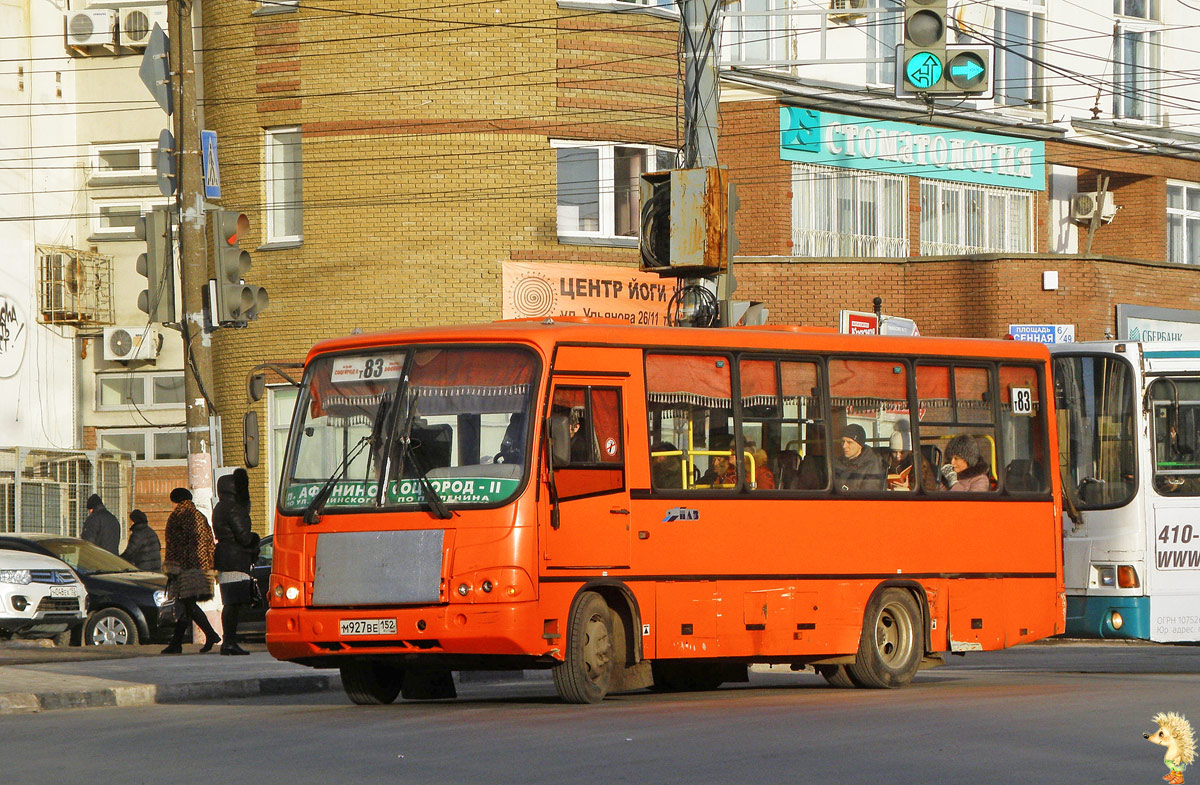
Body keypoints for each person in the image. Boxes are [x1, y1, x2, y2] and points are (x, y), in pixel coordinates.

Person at [161, 487, 221, 654]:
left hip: (185, 569)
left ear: (176, 501)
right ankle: (177, 642)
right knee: (187, 604)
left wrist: (171, 569)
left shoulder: (176, 517)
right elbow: (209, 543)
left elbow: (174, 546)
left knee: (187, 603)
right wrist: (210, 566)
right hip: (201, 567)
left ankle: (208, 634)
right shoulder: (199, 516)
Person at [212, 469, 259, 656]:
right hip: (235, 559)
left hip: (225, 557)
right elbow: (244, 536)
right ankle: (229, 642)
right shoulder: (233, 508)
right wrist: (254, 540)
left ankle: (229, 642)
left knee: (230, 603)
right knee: (234, 604)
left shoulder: (220, 507)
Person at [833, 424, 886, 491]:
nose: (844, 446)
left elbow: (868, 496)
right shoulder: (839, 462)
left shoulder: (872, 467)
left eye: (849, 442)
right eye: (843, 441)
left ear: (860, 444)